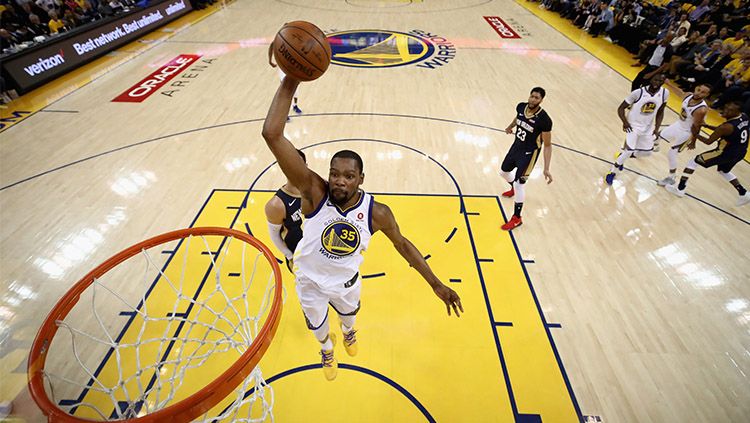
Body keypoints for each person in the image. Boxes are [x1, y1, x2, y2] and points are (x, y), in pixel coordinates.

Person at [261, 75, 463, 381]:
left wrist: (435, 284)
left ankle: (348, 332)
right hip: (309, 281)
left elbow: (403, 245)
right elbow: (272, 134)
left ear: (361, 179)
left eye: (349, 176)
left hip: (346, 282)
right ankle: (327, 349)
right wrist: (291, 79)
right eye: (335, 174)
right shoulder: (313, 191)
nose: (340, 181)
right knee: (317, 329)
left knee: (349, 319)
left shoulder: (376, 212)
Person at [666, 101, 750, 206]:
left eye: (730, 110)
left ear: (737, 111)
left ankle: (680, 189)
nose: (726, 111)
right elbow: (723, 130)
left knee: (693, 162)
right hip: (740, 152)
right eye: (726, 107)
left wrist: (695, 134)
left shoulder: (727, 126)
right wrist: (707, 126)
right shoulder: (744, 117)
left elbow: (708, 141)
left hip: (724, 153)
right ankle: (743, 193)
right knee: (723, 171)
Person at [499, 87, 553, 231]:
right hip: (516, 146)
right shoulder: (521, 106)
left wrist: (546, 169)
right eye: (532, 96)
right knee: (503, 172)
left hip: (529, 153)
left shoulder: (544, 120)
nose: (533, 99)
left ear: (541, 100)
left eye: (537, 98)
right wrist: (510, 126)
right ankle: (513, 187)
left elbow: (547, 145)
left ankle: (517, 218)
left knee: (519, 184)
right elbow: (518, 118)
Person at [606, 73, 669, 185]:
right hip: (633, 126)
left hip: (648, 128)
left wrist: (657, 128)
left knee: (647, 153)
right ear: (651, 79)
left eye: (660, 81)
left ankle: (622, 156)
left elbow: (660, 111)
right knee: (629, 150)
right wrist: (625, 122)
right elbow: (621, 108)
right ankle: (612, 172)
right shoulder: (638, 93)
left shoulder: (664, 93)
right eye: (655, 80)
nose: (657, 83)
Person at [657, 84, 710, 187]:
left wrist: (693, 141)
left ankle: (671, 177)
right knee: (657, 136)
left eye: (703, 92)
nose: (699, 92)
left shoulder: (701, 110)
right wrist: (667, 83)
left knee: (671, 153)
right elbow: (679, 93)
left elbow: (696, 127)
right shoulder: (688, 95)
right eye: (698, 89)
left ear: (707, 95)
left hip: (687, 132)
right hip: (678, 124)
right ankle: (651, 148)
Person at [265, 149, 306, 272]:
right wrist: (290, 256)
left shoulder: (317, 187)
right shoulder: (276, 205)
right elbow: (274, 236)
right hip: (299, 257)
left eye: (297, 164)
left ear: (305, 166)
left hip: (321, 252)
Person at [268, 43, 302, 117]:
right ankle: (283, 113)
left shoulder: (297, 42)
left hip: (294, 67)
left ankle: (295, 106)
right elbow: (272, 46)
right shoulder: (281, 38)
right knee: (285, 90)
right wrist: (270, 60)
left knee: (296, 90)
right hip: (283, 66)